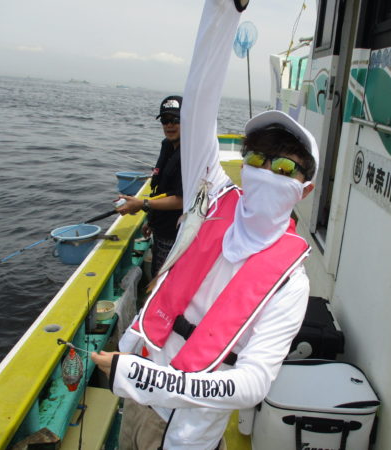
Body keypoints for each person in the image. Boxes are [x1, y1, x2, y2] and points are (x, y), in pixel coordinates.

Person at [92, 0, 319, 448]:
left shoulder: (292, 285)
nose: (266, 170)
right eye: (256, 158)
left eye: (284, 167)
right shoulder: (212, 195)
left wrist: (149, 379)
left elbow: (253, 383)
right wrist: (223, 11)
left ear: (305, 190)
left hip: (185, 434)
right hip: (134, 396)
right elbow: (197, 104)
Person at [115, 96, 184, 276]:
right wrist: (151, 221)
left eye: (175, 120)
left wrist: (142, 204)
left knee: (163, 281)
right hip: (161, 229)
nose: (169, 125)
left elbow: (181, 200)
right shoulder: (168, 146)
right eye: (165, 120)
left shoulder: (190, 154)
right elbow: (161, 188)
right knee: (156, 274)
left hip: (176, 236)